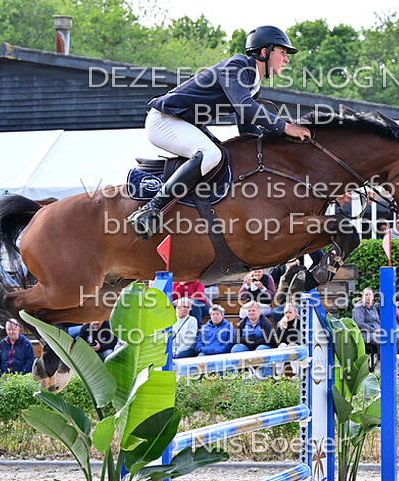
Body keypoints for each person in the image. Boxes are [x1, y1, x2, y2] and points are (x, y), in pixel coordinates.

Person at [127, 26, 312, 239]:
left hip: (184, 123)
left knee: (224, 155)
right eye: (282, 52)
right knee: (211, 154)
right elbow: (245, 107)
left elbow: (247, 130)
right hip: (164, 120)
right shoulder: (237, 67)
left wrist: (278, 141)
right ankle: (151, 209)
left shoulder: (253, 83)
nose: (286, 59)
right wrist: (285, 127)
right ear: (264, 52)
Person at [352, 287, 381, 371]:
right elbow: (360, 324)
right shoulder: (359, 307)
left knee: (393, 338)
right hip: (364, 334)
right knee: (382, 339)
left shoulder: (373, 308)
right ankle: (379, 364)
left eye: (370, 295)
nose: (368, 297)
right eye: (366, 294)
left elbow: (377, 321)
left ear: (373, 297)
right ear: (362, 296)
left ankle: (387, 361)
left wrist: (380, 330)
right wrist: (375, 331)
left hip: (375, 333)